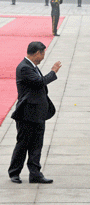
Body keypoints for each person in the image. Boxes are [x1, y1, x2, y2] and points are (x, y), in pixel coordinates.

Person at [8, 41, 62, 184]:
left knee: (37, 144)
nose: (43, 56)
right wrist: (53, 72)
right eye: (43, 53)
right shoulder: (24, 67)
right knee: (23, 144)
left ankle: (35, 173)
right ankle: (14, 172)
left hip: (38, 112)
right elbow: (39, 82)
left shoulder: (32, 66)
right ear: (37, 52)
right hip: (26, 113)